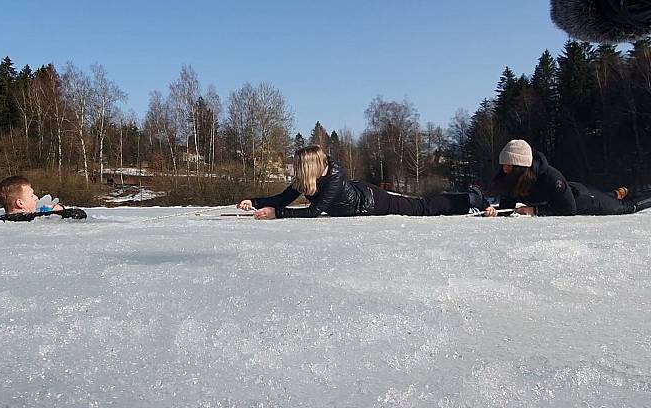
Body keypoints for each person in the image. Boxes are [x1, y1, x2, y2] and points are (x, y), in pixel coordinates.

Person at [237, 145, 490, 219]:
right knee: (420, 205)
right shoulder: (307, 180)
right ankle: (467, 198)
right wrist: (256, 201)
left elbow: (314, 211)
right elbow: (283, 198)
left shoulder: (333, 178)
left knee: (421, 207)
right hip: (360, 191)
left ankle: (469, 199)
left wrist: (276, 214)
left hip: (370, 202)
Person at [484, 139, 651, 217]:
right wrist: (495, 211)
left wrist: (535, 211)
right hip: (570, 189)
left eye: (509, 165)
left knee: (628, 207)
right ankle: (618, 192)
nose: (504, 169)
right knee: (613, 196)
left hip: (585, 201)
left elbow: (568, 209)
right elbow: (508, 204)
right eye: (503, 164)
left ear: (520, 166)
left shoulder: (550, 176)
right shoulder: (512, 178)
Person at [0, 175, 86, 221]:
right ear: (20, 203)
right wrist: (59, 211)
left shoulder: (1, 219)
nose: (35, 198)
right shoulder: (27, 218)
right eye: (31, 195)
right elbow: (79, 214)